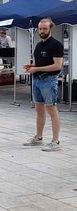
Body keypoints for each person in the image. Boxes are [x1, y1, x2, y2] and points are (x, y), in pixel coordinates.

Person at [23, 18, 64, 152]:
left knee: (52, 110)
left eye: (45, 29)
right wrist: (33, 66)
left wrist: (37, 69)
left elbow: (57, 66)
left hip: (49, 80)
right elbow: (41, 63)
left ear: (51, 29)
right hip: (37, 80)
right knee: (39, 110)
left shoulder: (56, 45)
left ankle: (55, 141)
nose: (42, 31)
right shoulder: (39, 45)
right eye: (40, 29)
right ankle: (39, 138)